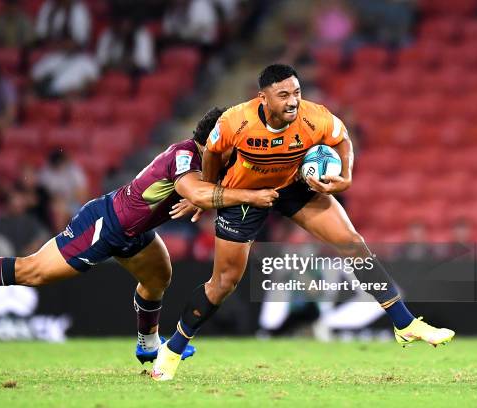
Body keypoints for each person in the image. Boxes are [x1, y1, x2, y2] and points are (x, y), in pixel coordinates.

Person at [151, 64, 455, 381]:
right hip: (245, 194)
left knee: (352, 244)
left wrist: (346, 177)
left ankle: (404, 323)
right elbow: (213, 152)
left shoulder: (315, 117)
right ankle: (172, 350)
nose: (293, 101)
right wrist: (211, 190)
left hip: (295, 186)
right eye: (283, 95)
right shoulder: (236, 121)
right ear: (263, 98)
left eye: (296, 92)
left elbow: (342, 140)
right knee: (223, 283)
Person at [0, 108, 278, 364]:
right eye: (236, 139)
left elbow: (202, 192)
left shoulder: (209, 165)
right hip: (106, 225)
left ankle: (148, 345)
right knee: (33, 272)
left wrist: (199, 200)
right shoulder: (185, 157)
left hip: (136, 232)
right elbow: (197, 190)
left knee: (159, 277)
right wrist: (214, 198)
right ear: (218, 139)